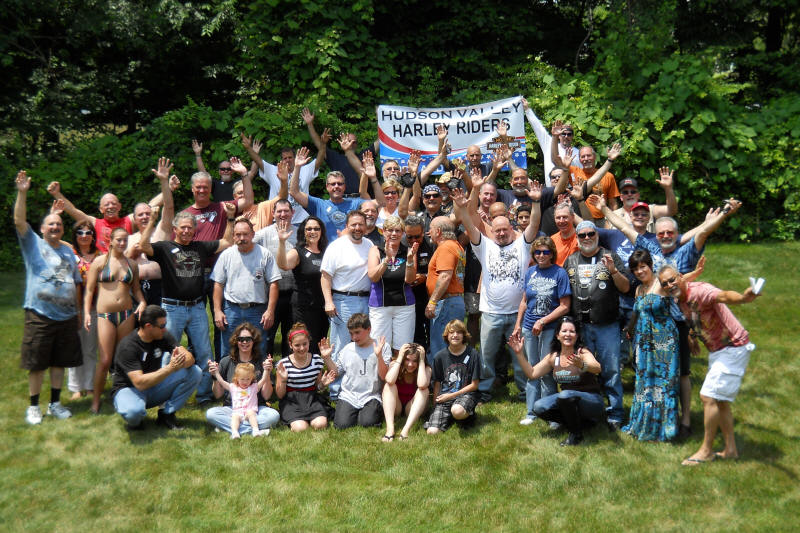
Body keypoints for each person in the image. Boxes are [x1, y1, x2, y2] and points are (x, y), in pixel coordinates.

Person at [658, 266, 759, 466]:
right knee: (720, 401)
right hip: (718, 350)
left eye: (672, 280)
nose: (669, 285)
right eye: (665, 283)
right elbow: (694, 316)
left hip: (733, 347)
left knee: (708, 396)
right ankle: (730, 449)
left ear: (680, 277)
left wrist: (742, 298)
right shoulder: (679, 299)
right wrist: (692, 336)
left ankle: (706, 451)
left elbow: (723, 296)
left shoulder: (700, 291)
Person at [452, 177, 541, 403]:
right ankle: (484, 392)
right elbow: (470, 226)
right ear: (492, 230)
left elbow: (534, 224)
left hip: (517, 314)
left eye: (504, 230)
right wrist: (462, 208)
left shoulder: (523, 245)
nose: (501, 233)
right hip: (491, 312)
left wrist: (536, 202)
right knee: (486, 356)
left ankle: (525, 391)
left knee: (520, 355)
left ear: (511, 229)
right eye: (497, 230)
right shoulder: (485, 246)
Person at [139, 205, 235, 405]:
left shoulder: (200, 247)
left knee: (204, 352)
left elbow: (227, 241)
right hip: (172, 309)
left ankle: (204, 395)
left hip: (197, 308)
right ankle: (164, 395)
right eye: (182, 227)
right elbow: (143, 246)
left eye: (190, 228)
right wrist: (151, 221)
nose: (186, 231)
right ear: (175, 229)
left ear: (194, 230)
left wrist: (231, 218)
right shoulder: (164, 248)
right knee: (168, 354)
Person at [15, 171, 81, 424]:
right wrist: (22, 193)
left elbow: (75, 282)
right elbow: (19, 221)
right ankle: (33, 406)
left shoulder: (68, 251)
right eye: (50, 224)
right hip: (39, 315)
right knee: (37, 363)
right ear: (41, 229)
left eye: (58, 225)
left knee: (59, 362)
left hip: (66, 316)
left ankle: (55, 403)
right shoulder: (33, 244)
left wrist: (77, 313)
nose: (55, 227)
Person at [563, 220, 630, 429]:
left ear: (597, 235)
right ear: (577, 238)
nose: (587, 238)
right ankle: (588, 411)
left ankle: (615, 413)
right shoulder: (571, 260)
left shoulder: (610, 256)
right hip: (581, 327)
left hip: (607, 324)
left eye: (590, 234)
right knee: (583, 370)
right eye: (582, 235)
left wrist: (614, 271)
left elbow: (626, 288)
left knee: (611, 370)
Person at [510, 317, 604, 446]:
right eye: (564, 331)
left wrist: (582, 365)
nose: (568, 334)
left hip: (592, 400)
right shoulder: (554, 357)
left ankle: (576, 435)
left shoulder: (582, 352)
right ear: (557, 335)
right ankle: (581, 423)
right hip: (567, 400)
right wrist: (519, 354)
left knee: (565, 395)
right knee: (539, 406)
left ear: (577, 335)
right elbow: (532, 374)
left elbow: (597, 368)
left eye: (572, 331)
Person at [84, 227, 147, 413]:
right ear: (110, 241)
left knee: (124, 359)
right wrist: (87, 313)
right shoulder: (99, 262)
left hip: (126, 314)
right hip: (105, 315)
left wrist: (142, 302)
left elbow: (136, 289)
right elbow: (89, 290)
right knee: (105, 360)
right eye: (118, 239)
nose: (122, 243)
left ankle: (125, 396)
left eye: (125, 240)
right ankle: (96, 401)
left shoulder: (131, 264)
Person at [111, 305, 201, 430]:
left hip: (153, 386)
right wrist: (170, 368)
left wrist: (183, 359)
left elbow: (190, 358)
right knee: (133, 413)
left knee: (195, 372)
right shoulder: (128, 346)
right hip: (129, 389)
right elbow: (139, 383)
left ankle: (166, 414)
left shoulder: (163, 336)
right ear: (148, 326)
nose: (165, 329)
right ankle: (136, 419)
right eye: (162, 326)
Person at [512, 236, 571, 426]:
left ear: (552, 253)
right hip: (529, 327)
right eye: (537, 252)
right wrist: (518, 324)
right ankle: (532, 412)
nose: (541, 255)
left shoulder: (559, 273)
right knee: (531, 368)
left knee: (546, 371)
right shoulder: (530, 272)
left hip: (550, 329)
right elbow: (524, 301)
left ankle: (550, 413)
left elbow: (565, 306)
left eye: (545, 252)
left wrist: (543, 321)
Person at [621, 250, 680, 441]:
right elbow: (636, 313)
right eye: (635, 269)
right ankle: (645, 423)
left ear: (650, 266)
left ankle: (666, 428)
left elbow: (682, 286)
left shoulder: (661, 284)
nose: (639, 271)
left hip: (665, 342)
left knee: (665, 382)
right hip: (645, 343)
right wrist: (629, 329)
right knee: (646, 382)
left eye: (643, 266)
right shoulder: (639, 289)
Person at [320, 210, 373, 398]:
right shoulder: (336, 246)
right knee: (340, 346)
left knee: (364, 343)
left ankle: (361, 386)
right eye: (354, 225)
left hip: (367, 300)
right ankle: (335, 391)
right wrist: (328, 301)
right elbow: (325, 276)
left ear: (366, 226)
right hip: (343, 300)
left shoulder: (369, 245)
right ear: (347, 226)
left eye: (361, 224)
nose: (357, 228)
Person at [212, 217, 281, 357]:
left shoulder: (264, 254)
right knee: (228, 350)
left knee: (259, 349)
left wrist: (270, 311)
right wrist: (217, 311)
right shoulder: (226, 255)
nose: (242, 238)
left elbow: (274, 283)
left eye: (245, 234)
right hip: (231, 310)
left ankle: (259, 372)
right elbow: (218, 284)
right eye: (238, 235)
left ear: (253, 234)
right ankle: (227, 372)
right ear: (233, 236)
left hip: (257, 310)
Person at [45, 180, 167, 253]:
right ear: (101, 209)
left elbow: (149, 206)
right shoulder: (95, 223)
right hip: (102, 267)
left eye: (113, 203)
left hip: (125, 265)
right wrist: (57, 194)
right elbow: (73, 210)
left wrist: (168, 188)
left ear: (119, 206)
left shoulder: (129, 220)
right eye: (106, 204)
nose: (110, 206)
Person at [206, 323, 280, 436]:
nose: (244, 342)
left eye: (248, 339)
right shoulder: (226, 361)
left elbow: (266, 396)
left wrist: (268, 372)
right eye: (241, 339)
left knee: (273, 416)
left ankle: (232, 428)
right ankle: (254, 429)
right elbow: (218, 395)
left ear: (254, 341)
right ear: (236, 341)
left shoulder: (262, 361)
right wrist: (214, 376)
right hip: (232, 407)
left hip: (256, 408)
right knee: (210, 414)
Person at [125, 158, 179, 307]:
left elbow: (169, 208)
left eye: (147, 214)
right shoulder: (129, 238)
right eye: (140, 215)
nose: (144, 217)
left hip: (161, 287)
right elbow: (121, 265)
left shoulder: (162, 230)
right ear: (134, 219)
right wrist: (131, 253)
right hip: (135, 289)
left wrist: (164, 181)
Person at [242, 134, 322, 225]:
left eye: (290, 157)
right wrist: (248, 148)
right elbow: (258, 161)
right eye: (285, 158)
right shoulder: (273, 171)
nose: (288, 160)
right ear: (281, 160)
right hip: (278, 219)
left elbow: (319, 160)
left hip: (301, 220)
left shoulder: (304, 170)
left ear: (295, 158)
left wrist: (323, 144)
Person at [276, 216, 330, 350]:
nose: (313, 232)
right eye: (309, 229)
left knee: (320, 343)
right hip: (303, 307)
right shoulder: (297, 251)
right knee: (305, 343)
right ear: (303, 232)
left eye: (316, 229)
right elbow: (283, 264)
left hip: (322, 307)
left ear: (321, 231)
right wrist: (282, 242)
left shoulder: (327, 252)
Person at [367, 215, 418, 353]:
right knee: (381, 348)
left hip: (404, 306)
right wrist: (387, 259)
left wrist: (409, 260)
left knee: (403, 349)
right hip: (380, 305)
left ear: (403, 233)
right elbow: (373, 277)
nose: (394, 234)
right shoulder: (376, 250)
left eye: (398, 230)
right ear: (383, 231)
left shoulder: (409, 251)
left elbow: (410, 280)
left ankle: (398, 368)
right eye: (390, 230)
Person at [253, 199, 297, 358]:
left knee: (290, 333)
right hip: (270, 292)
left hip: (293, 292)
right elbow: (245, 246)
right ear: (273, 214)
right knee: (267, 333)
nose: (283, 214)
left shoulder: (300, 233)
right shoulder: (263, 234)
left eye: (286, 211)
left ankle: (289, 367)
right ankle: (265, 366)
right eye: (279, 211)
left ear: (293, 213)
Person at [332, 314, 392, 429]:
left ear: (368, 329)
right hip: (349, 395)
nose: (354, 337)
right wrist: (327, 358)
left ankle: (368, 413)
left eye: (357, 332)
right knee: (342, 425)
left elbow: (384, 376)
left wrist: (379, 356)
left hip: (371, 395)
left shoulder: (382, 346)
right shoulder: (348, 349)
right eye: (351, 333)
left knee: (368, 423)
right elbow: (336, 372)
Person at [275, 324, 337, 431]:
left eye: (305, 344)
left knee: (320, 424)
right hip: (291, 401)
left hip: (311, 399)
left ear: (309, 342)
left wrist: (322, 384)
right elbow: (280, 395)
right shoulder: (283, 364)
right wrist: (284, 380)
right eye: (297, 345)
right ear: (290, 345)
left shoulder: (316, 360)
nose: (302, 348)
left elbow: (318, 386)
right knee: (301, 428)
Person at [424, 320, 481, 434]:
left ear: (464, 335)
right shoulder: (439, 357)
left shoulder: (473, 354)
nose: (455, 335)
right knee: (432, 432)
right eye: (451, 332)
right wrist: (435, 406)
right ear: (447, 335)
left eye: (459, 332)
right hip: (444, 397)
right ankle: (450, 417)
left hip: (466, 395)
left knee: (457, 411)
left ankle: (467, 416)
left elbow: (475, 385)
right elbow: (437, 383)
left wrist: (451, 396)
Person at [425, 216, 466, 362]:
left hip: (446, 303)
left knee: (440, 348)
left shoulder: (446, 247)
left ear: (438, 231)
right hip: (453, 301)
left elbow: (445, 276)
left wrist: (432, 302)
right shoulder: (456, 246)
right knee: (451, 347)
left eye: (430, 229)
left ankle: (441, 376)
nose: (428, 232)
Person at [68, 220, 98, 400]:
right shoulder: (69, 254)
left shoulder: (100, 255)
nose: (84, 236)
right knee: (74, 348)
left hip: (94, 307)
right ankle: (76, 388)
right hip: (72, 308)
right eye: (80, 232)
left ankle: (90, 385)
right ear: (75, 235)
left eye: (88, 232)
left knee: (90, 348)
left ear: (93, 236)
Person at [522, 97, 580, 185]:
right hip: (550, 190)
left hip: (570, 190)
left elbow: (580, 174)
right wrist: (527, 109)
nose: (566, 136)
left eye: (569, 134)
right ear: (559, 135)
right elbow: (538, 128)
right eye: (563, 134)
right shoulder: (549, 144)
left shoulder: (578, 153)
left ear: (572, 136)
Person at [382, 343, 431, 441]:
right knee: (389, 386)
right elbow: (389, 380)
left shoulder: (426, 369)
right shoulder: (395, 364)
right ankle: (390, 429)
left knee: (424, 390)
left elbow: (422, 384)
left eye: (415, 361)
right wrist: (400, 357)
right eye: (407, 359)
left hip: (413, 407)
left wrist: (422, 361)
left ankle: (406, 430)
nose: (410, 364)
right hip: (397, 406)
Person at [210, 361, 271, 438]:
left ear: (252, 378)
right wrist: (216, 372)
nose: (245, 382)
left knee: (251, 414)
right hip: (237, 412)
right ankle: (235, 432)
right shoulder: (233, 387)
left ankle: (255, 430)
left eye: (248, 379)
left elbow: (264, 379)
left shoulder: (254, 387)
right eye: (242, 379)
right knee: (234, 417)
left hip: (250, 411)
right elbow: (221, 381)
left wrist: (266, 369)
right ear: (237, 378)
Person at [612, 169, 677, 233]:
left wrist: (668, 188)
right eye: (625, 192)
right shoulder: (613, 215)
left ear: (638, 195)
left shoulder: (650, 210)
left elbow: (671, 211)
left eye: (633, 192)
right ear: (621, 197)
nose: (629, 194)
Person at [403, 215, 433, 349]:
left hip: (427, 295)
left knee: (432, 331)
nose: (414, 240)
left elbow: (439, 269)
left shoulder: (431, 244)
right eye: (410, 237)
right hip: (407, 296)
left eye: (417, 237)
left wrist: (425, 276)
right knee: (414, 333)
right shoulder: (401, 244)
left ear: (423, 232)